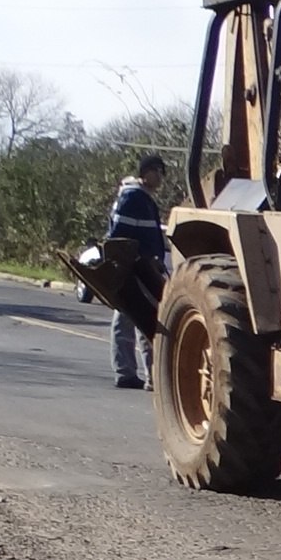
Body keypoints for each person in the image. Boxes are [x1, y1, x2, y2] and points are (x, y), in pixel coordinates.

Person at [106, 154, 170, 390]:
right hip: (132, 268)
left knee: (144, 318)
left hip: (143, 267)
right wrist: (136, 262)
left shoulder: (144, 198)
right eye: (157, 171)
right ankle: (126, 373)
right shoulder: (133, 198)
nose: (161, 177)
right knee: (128, 318)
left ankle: (151, 376)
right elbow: (119, 237)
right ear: (146, 172)